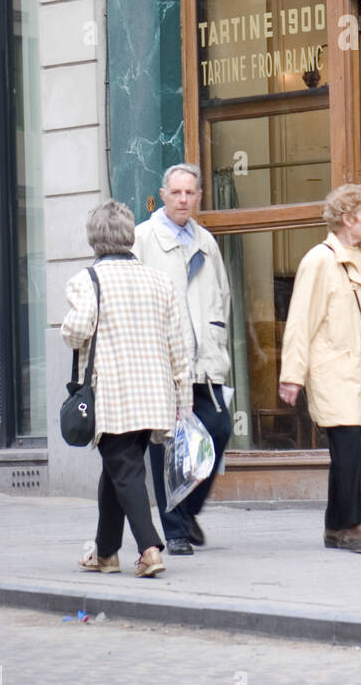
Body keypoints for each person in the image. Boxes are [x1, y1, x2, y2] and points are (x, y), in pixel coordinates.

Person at [61, 200, 192, 579]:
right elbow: (177, 346)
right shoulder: (159, 280)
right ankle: (105, 553)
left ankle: (149, 548)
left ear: (95, 239)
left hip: (114, 394)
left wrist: (67, 325)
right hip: (154, 394)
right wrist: (182, 402)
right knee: (119, 469)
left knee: (126, 471)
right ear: (129, 235)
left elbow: (77, 330)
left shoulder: (87, 280)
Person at [279, 184, 361, 551]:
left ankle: (335, 525)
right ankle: (352, 525)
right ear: (347, 219)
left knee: (351, 448)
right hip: (331, 369)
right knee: (347, 445)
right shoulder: (318, 261)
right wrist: (292, 376)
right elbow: (300, 321)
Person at [133, 163, 233, 556]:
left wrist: (220, 347)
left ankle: (189, 509)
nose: (183, 200)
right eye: (176, 193)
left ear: (199, 196)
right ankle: (173, 530)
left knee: (219, 429)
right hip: (163, 361)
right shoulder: (144, 239)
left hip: (205, 361)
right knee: (166, 446)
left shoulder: (206, 242)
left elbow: (221, 296)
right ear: (164, 194)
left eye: (190, 193)